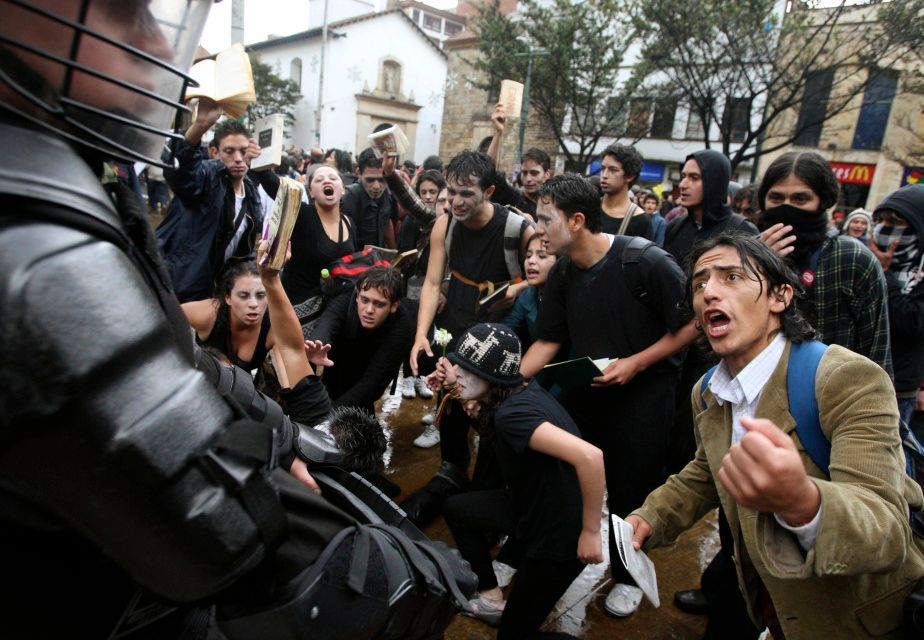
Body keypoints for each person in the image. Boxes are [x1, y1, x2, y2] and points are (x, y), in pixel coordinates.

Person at [0, 1, 475, 637]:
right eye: (119, 7)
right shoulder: (38, 250)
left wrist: (279, 431)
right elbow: (218, 533)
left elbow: (179, 362)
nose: (148, 36)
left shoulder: (52, 181)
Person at [627, 232, 924, 639]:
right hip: (766, 609)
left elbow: (886, 533)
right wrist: (652, 515)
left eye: (731, 277)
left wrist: (802, 501)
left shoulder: (846, 379)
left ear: (781, 297)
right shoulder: (709, 389)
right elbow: (706, 469)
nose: (710, 291)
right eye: (699, 284)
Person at [519, 173, 697, 618]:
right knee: (562, 470)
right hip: (592, 387)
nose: (538, 230)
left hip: (646, 393)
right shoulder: (562, 273)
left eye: (546, 220)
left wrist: (636, 361)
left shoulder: (646, 262)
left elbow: (691, 325)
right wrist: (505, 381)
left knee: (631, 491)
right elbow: (549, 340)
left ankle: (629, 573)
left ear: (577, 221)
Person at [434, 324, 605, 638]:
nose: (457, 374)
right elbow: (496, 429)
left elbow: (591, 457)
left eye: (467, 370)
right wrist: (458, 392)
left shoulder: (512, 414)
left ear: (492, 378)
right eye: (457, 364)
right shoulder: (519, 388)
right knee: (458, 508)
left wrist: (591, 531)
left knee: (513, 634)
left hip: (559, 535)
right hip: (531, 506)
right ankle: (489, 595)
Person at [405, 150, 534, 526]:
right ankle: (453, 467)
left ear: (490, 190)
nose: (456, 202)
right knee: (452, 391)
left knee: (494, 407)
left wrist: (517, 288)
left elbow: (543, 272)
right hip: (459, 315)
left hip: (503, 325)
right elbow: (431, 281)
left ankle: (492, 484)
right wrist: (419, 336)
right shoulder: (444, 224)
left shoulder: (516, 228)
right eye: (452, 192)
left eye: (467, 194)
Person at [758, 151, 892, 375]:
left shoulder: (852, 258)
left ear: (823, 201)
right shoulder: (743, 254)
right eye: (777, 198)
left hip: (832, 395)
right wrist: (755, 266)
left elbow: (876, 349)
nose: (787, 207)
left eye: (800, 199)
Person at [157, 112, 264, 302]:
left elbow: (243, 248)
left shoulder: (250, 191)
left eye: (243, 150)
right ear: (215, 152)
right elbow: (182, 173)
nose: (238, 158)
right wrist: (200, 125)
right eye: (229, 151)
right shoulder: (208, 176)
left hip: (217, 289)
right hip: (181, 286)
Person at [255, 165, 356, 334]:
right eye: (319, 179)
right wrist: (261, 161)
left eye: (332, 178)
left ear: (343, 189)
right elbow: (277, 187)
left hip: (334, 312)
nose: (326, 181)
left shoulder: (349, 222)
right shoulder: (303, 214)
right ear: (311, 191)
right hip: (297, 307)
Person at [309, 266, 415, 418]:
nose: (369, 310)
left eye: (379, 304)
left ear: (394, 306)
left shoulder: (402, 327)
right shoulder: (345, 299)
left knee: (360, 411)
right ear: (357, 296)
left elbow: (373, 383)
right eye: (365, 300)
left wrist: (328, 418)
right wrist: (316, 344)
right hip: (339, 363)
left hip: (371, 372)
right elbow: (328, 322)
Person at [870, 185, 924, 433]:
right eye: (880, 220)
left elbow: (912, 324)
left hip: (899, 389)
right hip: (861, 379)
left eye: (895, 221)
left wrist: (886, 275)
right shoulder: (868, 260)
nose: (884, 228)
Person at [486, 103, 552, 217]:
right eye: (524, 173)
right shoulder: (513, 198)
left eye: (534, 173)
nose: (528, 179)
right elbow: (489, 171)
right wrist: (498, 132)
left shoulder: (555, 205)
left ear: (547, 174)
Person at [341, 147, 399, 249]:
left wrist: (394, 253)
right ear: (359, 173)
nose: (376, 186)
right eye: (370, 180)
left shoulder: (388, 194)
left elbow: (387, 223)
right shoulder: (349, 197)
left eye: (382, 180)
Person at [598, 144, 655, 239]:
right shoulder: (589, 207)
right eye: (603, 168)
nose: (604, 175)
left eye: (613, 170)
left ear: (630, 176)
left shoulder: (641, 221)